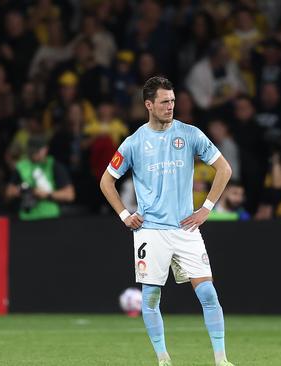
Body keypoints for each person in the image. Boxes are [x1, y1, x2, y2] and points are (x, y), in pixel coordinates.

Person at [99, 76, 234, 366]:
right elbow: (106, 181)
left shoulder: (190, 134)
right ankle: (163, 359)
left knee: (208, 293)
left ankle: (221, 360)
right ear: (149, 104)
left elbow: (224, 168)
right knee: (150, 298)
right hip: (150, 232)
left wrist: (207, 208)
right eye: (164, 101)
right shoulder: (134, 142)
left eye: (172, 100)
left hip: (186, 228)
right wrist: (125, 214)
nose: (170, 106)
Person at [5, 136, 74, 220]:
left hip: (50, 217)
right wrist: (23, 191)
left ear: (45, 149)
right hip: (27, 217)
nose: (34, 154)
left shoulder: (54, 166)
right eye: (31, 151)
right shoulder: (22, 166)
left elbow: (69, 195)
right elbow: (8, 193)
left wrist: (47, 194)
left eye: (37, 151)